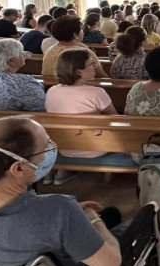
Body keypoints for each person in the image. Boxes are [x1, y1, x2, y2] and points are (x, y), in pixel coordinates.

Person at [0, 116, 123, 266]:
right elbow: (109, 264)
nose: (51, 149)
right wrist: (93, 219)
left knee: (111, 215)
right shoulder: (61, 210)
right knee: (120, 223)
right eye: (46, 147)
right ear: (18, 168)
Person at [46, 49, 116, 185]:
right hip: (96, 149)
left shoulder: (52, 91)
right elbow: (115, 118)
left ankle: (63, 170)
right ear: (79, 72)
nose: (95, 66)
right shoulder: (97, 93)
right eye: (91, 64)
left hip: (64, 148)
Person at [0, 39, 46, 111]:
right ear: (10, 60)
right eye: (20, 52)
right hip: (12, 120)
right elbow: (42, 106)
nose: (24, 54)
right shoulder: (24, 82)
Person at [42, 16, 108, 78]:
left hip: (50, 85)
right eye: (81, 29)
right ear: (75, 34)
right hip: (80, 86)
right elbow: (101, 76)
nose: (82, 31)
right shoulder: (85, 53)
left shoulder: (50, 50)